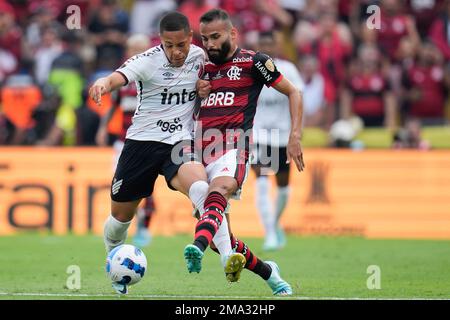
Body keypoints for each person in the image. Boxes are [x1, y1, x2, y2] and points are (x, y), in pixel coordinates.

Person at [89, 11, 244, 295]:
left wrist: (204, 88)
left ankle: (226, 256)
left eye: (181, 44)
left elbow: (225, 72)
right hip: (141, 145)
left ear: (189, 39)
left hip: (179, 142)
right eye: (169, 45)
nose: (176, 51)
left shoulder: (200, 57)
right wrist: (102, 84)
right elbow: (118, 77)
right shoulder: (147, 60)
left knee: (201, 187)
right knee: (119, 220)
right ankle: (113, 261)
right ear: (160, 41)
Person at [184, 9, 305, 296]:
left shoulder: (255, 62)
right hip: (199, 151)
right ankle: (268, 272)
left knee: (221, 189)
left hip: (233, 147)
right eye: (205, 38)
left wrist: (295, 135)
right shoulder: (200, 67)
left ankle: (198, 248)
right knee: (219, 238)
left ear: (233, 33)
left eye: (216, 37)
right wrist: (197, 91)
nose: (210, 44)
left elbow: (294, 92)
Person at [95, 34, 155, 248]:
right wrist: (103, 128)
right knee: (121, 186)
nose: (137, 53)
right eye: (133, 49)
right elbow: (113, 106)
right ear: (128, 51)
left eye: (141, 49)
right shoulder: (123, 82)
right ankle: (120, 228)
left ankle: (144, 229)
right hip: (123, 142)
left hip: (148, 141)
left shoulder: (154, 79)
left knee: (146, 186)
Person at [251, 30, 304, 251]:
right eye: (262, 44)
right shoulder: (252, 69)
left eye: (269, 44)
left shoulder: (288, 69)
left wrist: (296, 132)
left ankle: (274, 224)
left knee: (283, 189)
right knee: (262, 183)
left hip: (282, 136)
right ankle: (270, 234)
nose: (266, 49)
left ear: (277, 45)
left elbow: (298, 97)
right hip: (260, 135)